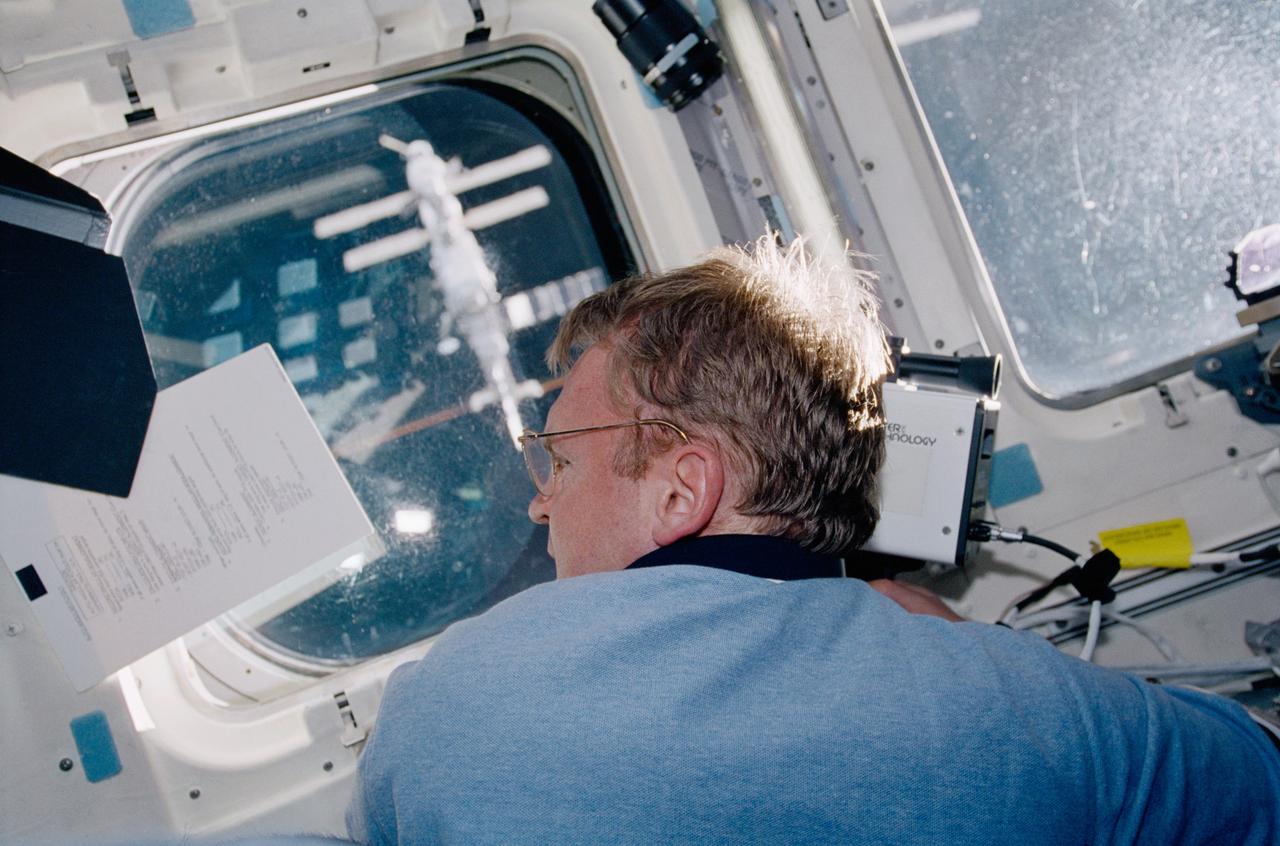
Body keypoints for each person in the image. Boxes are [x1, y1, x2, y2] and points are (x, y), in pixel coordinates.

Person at [347, 236, 1280, 844]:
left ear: (685, 488)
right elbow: (1256, 785)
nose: (539, 506)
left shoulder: (458, 704)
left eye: (560, 460)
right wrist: (972, 653)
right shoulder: (1026, 709)